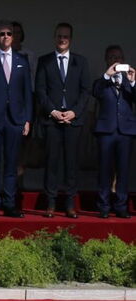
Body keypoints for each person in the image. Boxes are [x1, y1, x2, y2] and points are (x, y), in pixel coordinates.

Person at [35, 23, 90, 218]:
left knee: (71, 163)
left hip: (73, 121)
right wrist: (52, 111)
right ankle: (50, 203)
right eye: (59, 36)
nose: (62, 39)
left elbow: (85, 91)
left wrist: (74, 112)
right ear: (54, 37)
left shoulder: (80, 62)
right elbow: (40, 90)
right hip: (52, 120)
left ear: (71, 39)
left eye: (65, 36)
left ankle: (69, 203)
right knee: (52, 162)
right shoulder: (45, 61)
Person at [0, 20, 32, 218]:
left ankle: (9, 204)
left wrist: (27, 118)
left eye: (9, 33)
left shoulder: (21, 60)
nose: (6, 37)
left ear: (14, 36)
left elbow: (28, 92)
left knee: (11, 163)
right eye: (2, 34)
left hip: (15, 119)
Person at [92, 45, 136, 219]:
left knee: (123, 170)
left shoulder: (129, 82)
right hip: (106, 131)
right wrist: (106, 76)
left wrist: (133, 81)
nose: (115, 60)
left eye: (118, 57)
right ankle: (103, 206)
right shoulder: (101, 82)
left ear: (123, 60)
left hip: (125, 131)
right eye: (111, 57)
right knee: (104, 169)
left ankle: (121, 206)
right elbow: (95, 92)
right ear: (106, 60)